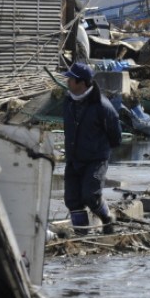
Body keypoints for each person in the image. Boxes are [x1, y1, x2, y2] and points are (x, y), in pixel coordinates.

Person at [61, 62, 122, 236]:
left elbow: (115, 136)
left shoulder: (102, 106)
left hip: (95, 159)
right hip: (73, 158)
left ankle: (106, 218)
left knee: (90, 195)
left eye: (71, 80)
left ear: (81, 83)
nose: (68, 82)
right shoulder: (68, 102)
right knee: (72, 199)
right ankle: (82, 236)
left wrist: (99, 149)